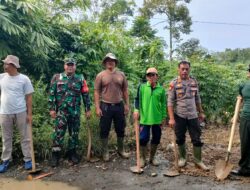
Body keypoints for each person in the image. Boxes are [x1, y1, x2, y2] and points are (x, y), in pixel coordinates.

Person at [48, 58, 91, 167]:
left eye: (72, 65)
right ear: (64, 66)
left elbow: (85, 95)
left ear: (75, 67)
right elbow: (52, 94)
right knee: (58, 134)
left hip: (75, 112)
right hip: (61, 112)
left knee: (74, 134)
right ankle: (55, 155)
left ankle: (72, 153)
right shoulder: (57, 78)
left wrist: (88, 109)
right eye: (68, 65)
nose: (70, 67)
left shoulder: (80, 79)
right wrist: (52, 109)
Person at [167, 61, 209, 170]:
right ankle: (182, 158)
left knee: (196, 138)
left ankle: (198, 161)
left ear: (189, 69)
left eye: (186, 69)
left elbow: (197, 98)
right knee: (180, 138)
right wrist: (171, 118)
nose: (184, 71)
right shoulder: (174, 83)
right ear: (178, 70)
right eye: (182, 69)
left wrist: (201, 112)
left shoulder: (194, 81)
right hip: (180, 115)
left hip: (193, 115)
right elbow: (170, 102)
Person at [0, 55, 34, 173]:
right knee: (6, 138)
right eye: (4, 64)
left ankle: (28, 160)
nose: (4, 66)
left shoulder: (24, 79)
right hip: (4, 113)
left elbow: (29, 97)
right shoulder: (1, 77)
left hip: (20, 112)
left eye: (7, 64)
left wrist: (29, 114)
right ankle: (5, 160)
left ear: (13, 66)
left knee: (25, 137)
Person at [94, 53, 130, 161]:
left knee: (120, 128)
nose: (110, 62)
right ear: (105, 62)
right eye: (108, 60)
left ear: (115, 63)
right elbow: (96, 91)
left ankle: (121, 150)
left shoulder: (121, 75)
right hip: (105, 106)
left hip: (119, 105)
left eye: (112, 60)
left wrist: (127, 104)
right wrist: (97, 107)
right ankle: (105, 152)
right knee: (104, 129)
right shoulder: (100, 75)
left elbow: (125, 90)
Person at [133, 67, 166, 167]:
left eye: (154, 75)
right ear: (147, 77)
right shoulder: (142, 87)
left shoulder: (161, 89)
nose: (152, 77)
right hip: (144, 117)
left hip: (157, 118)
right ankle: (142, 158)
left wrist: (164, 116)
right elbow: (137, 99)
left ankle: (152, 158)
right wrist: (136, 110)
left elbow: (164, 104)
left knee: (156, 138)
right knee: (143, 138)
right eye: (149, 75)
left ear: (157, 76)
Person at [231, 65, 250, 176]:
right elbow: (240, 101)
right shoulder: (243, 85)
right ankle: (244, 168)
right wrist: (235, 115)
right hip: (245, 118)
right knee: (245, 143)